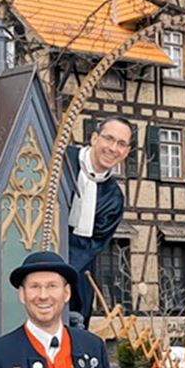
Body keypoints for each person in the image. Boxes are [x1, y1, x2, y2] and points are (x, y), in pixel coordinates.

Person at [67, 116, 133, 324]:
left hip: (76, 272)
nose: (113, 148)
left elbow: (90, 247)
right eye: (109, 139)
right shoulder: (62, 160)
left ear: (126, 152)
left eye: (121, 144)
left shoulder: (113, 198)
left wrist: (57, 275)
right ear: (94, 138)